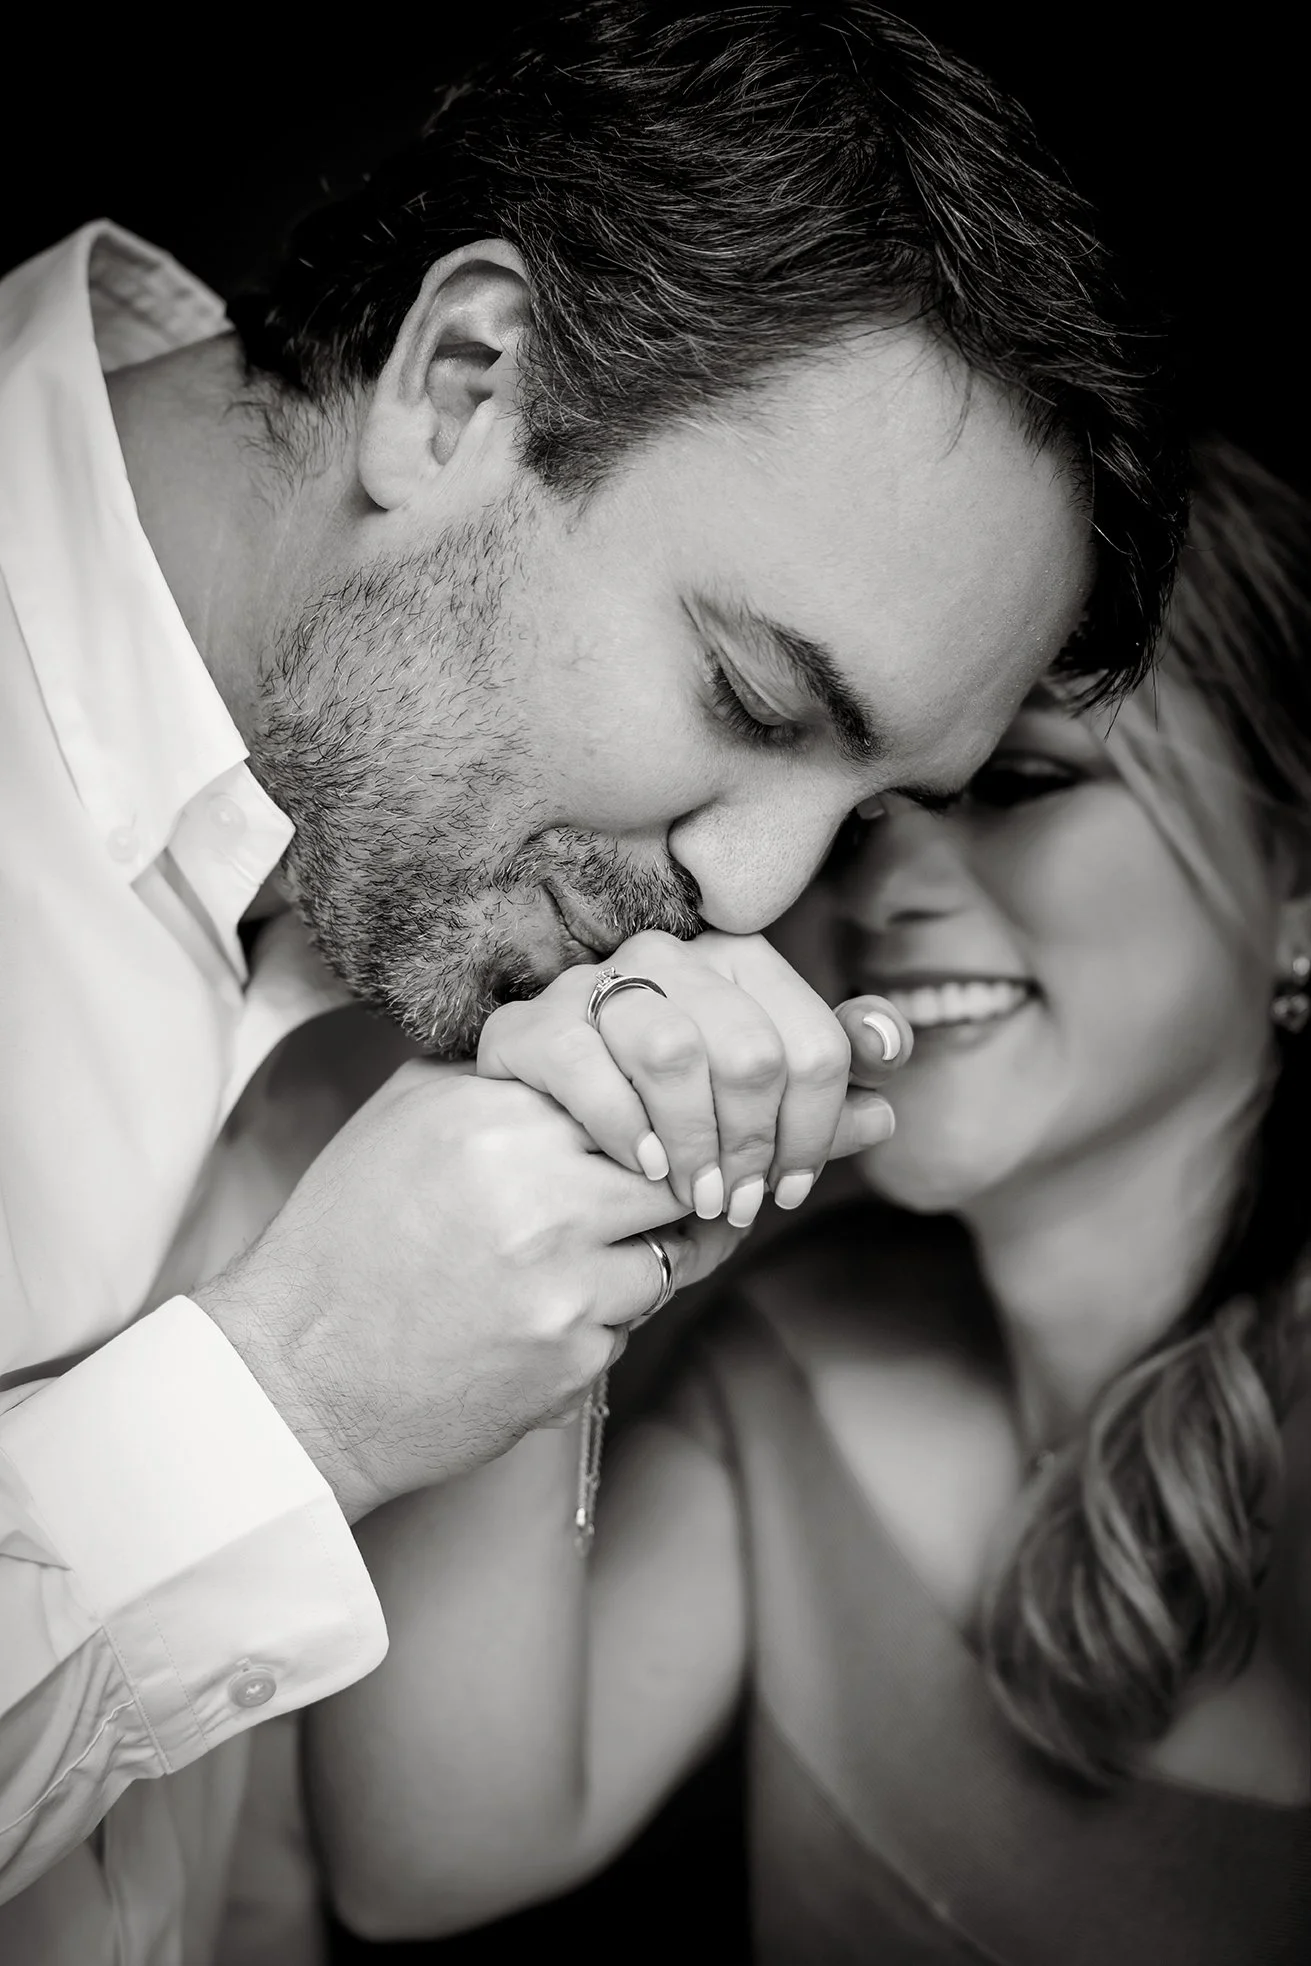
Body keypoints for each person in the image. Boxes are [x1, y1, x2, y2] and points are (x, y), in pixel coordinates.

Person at [0, 3, 1182, 1958]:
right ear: (459, 384)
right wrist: (299, 1396)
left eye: (871, 810)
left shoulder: (393, 862)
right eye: (751, 699)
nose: (758, 892)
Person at [308, 437, 1310, 1964]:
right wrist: (559, 1117)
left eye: (1025, 785)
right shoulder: (800, 1354)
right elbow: (429, 1856)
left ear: (1294, 879)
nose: (879, 890)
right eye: (864, 822)